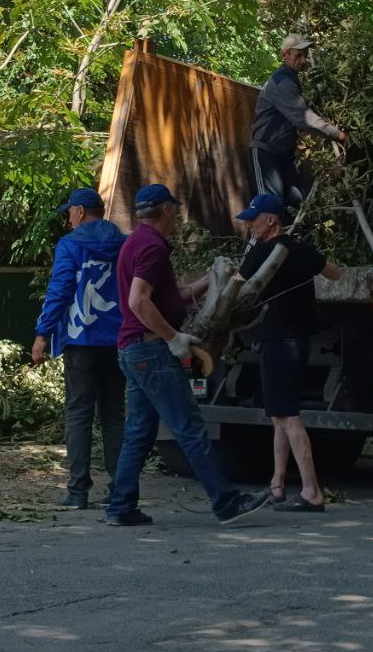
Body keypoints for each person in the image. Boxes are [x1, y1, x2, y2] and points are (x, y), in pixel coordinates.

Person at [105, 183, 270, 528]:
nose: (177, 217)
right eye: (174, 210)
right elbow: (139, 300)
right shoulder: (151, 246)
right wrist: (174, 337)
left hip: (133, 350)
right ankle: (226, 503)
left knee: (139, 432)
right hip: (151, 350)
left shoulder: (136, 242)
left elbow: (171, 296)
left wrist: (210, 280)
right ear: (165, 210)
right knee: (191, 428)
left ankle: (120, 506)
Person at [236, 192, 341, 512]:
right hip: (298, 341)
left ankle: (311, 491)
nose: (250, 225)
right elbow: (335, 274)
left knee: (289, 417)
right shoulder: (302, 248)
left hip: (278, 340)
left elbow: (237, 284)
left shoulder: (264, 252)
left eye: (254, 220)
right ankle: (277, 485)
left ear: (272, 220)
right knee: (279, 415)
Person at [32, 188, 128, 509]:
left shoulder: (70, 245)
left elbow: (60, 290)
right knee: (114, 416)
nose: (68, 219)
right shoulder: (124, 243)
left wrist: (42, 334)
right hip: (118, 341)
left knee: (78, 413)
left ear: (81, 212)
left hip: (81, 340)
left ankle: (77, 492)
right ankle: (119, 489)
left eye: (69, 213)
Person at [249, 33, 348, 208]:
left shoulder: (291, 80)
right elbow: (304, 118)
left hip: (283, 155)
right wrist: (337, 134)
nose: (303, 60)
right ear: (284, 55)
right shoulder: (281, 81)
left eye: (305, 55)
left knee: (295, 202)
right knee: (268, 209)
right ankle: (257, 237)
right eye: (298, 55)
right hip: (266, 152)